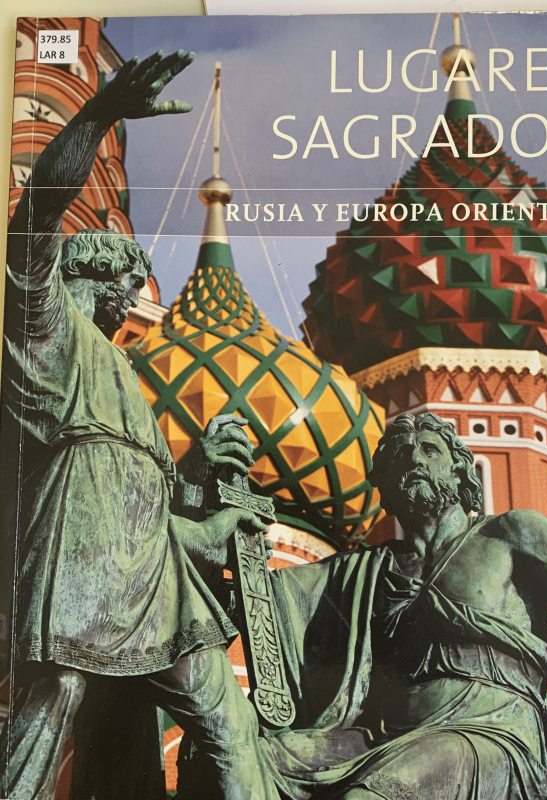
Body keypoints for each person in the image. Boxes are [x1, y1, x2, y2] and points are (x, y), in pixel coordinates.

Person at [0, 51, 279, 800]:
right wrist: (96, 117)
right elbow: (35, 219)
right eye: (124, 283)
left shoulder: (126, 375)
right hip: (78, 559)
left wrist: (193, 476)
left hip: (153, 576)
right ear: (87, 276)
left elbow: (146, 501)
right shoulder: (46, 330)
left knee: (226, 715)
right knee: (57, 693)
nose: (131, 300)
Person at [178, 411, 547, 800]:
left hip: (488, 733)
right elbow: (237, 600)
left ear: (459, 471)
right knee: (231, 760)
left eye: (429, 450)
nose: (414, 458)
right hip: (378, 734)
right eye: (400, 455)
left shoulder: (511, 534)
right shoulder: (362, 570)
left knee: (369, 796)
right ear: (384, 485)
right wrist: (194, 481)